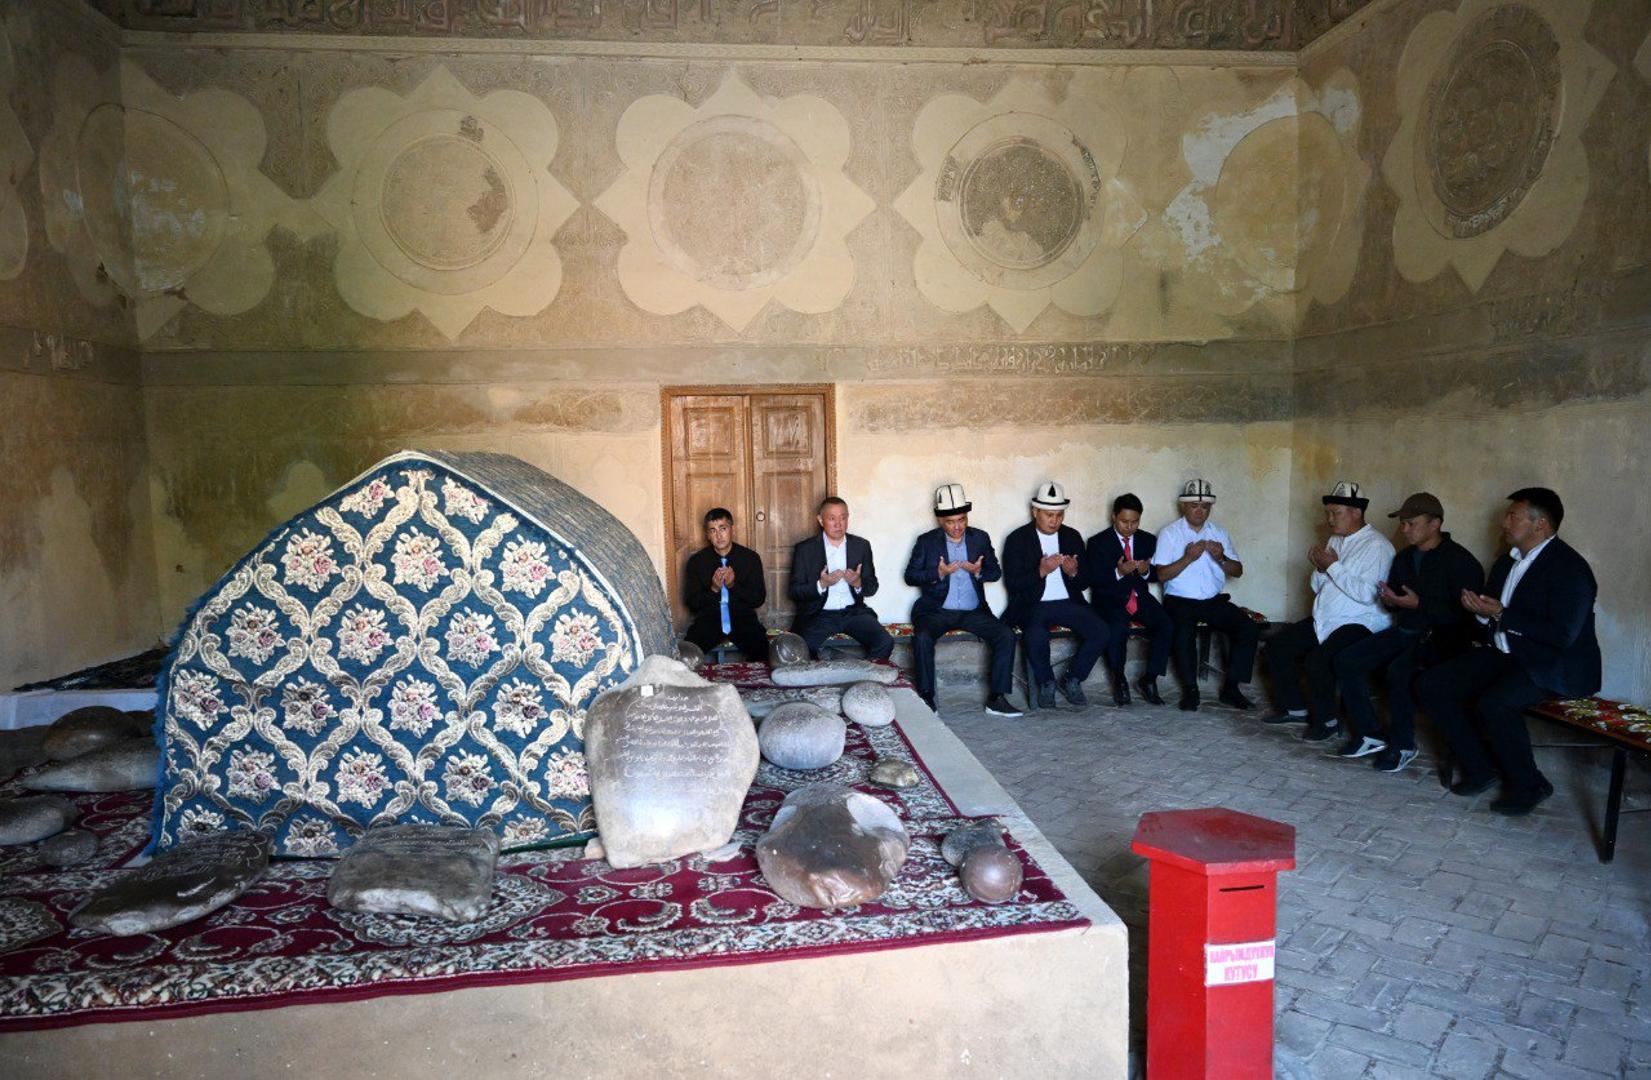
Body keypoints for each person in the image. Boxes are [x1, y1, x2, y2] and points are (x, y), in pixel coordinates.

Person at [1415, 488, 1601, 816]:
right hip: (1507, 654)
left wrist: (1501, 614)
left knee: (1495, 703)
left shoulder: (1569, 568)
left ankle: (1530, 785)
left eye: (1513, 516)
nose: (1504, 523)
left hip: (1554, 664)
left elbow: (1562, 635)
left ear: (1540, 524)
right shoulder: (1506, 562)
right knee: (1432, 684)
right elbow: (1491, 613)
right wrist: (1478, 611)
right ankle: (1480, 768)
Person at [1332, 492, 1484, 774]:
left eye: (1411, 523)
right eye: (1402, 523)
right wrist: (1390, 600)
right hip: (1406, 630)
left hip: (1444, 639)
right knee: (1347, 660)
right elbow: (1395, 600)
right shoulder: (1403, 558)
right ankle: (1370, 733)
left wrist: (1419, 604)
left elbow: (1466, 616)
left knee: (1399, 671)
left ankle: (1403, 745)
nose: (1404, 529)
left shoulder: (1460, 561)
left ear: (1435, 524)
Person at [1262, 481, 1396, 742]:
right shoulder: (1336, 539)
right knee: (1278, 646)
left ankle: (1328, 721)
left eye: (1336, 513)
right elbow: (1317, 586)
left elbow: (1367, 595)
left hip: (1360, 623)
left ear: (1356, 512)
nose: (1330, 519)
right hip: (1328, 619)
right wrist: (1321, 568)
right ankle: (1295, 708)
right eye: (1328, 513)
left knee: (1318, 660)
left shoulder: (1377, 546)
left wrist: (1332, 567)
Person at [903, 484, 1022, 718]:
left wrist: (978, 572)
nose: (957, 526)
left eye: (962, 519)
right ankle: (926, 697)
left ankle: (996, 699)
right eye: (950, 522)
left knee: (1005, 635)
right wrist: (938, 573)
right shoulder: (926, 542)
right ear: (940, 520)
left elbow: (995, 572)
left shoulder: (980, 538)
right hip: (937, 611)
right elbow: (910, 576)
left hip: (973, 611)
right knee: (923, 637)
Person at [1153, 478, 1259, 711]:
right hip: (1179, 600)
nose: (1200, 511)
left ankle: (1231, 689)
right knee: (1183, 632)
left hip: (1212, 601)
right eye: (1194, 505)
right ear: (1183, 506)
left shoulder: (1219, 532)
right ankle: (1191, 690)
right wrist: (1188, 558)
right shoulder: (1170, 533)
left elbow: (1238, 571)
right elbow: (1160, 575)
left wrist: (1221, 557)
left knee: (1248, 628)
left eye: (1205, 506)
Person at [1002, 481, 1108, 709]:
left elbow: (1084, 582)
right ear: (1035, 512)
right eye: (1049, 515)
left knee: (1101, 630)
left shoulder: (1072, 537)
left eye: (1059, 515)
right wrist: (1041, 571)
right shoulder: (1018, 539)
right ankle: (1046, 682)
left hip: (1068, 602)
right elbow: (1013, 584)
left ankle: (1073, 678)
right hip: (1033, 604)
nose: (1055, 521)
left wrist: (1073, 573)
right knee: (1035, 634)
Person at [1086, 493, 1171, 706]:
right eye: (1125, 521)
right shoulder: (1098, 542)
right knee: (1117, 627)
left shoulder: (1148, 540)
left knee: (1166, 624)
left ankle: (1149, 679)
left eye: (1135, 522)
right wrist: (1119, 572)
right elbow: (1093, 579)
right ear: (1114, 516)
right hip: (1109, 598)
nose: (1129, 527)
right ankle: (1119, 679)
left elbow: (1156, 574)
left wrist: (1145, 571)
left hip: (1139, 596)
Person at [788, 496, 894, 661]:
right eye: (832, 518)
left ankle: (864, 676)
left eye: (843, 518)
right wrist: (821, 584)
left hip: (853, 613)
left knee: (885, 642)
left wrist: (857, 583)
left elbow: (872, 586)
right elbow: (794, 591)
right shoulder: (805, 549)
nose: (838, 524)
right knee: (801, 649)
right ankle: (822, 677)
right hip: (819, 614)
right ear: (820, 520)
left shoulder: (861, 546)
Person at [681, 507, 769, 661]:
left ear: (732, 529)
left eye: (723, 528)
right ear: (707, 535)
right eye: (713, 530)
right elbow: (692, 603)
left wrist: (733, 586)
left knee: (764, 653)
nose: (719, 535)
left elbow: (758, 599)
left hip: (742, 618)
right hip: (709, 619)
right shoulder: (697, 562)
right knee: (686, 655)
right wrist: (714, 589)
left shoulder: (750, 558)